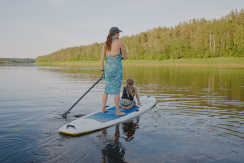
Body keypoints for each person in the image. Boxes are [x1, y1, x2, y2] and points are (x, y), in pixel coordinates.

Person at [100, 27, 128, 116]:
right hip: (117, 70)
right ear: (115, 34)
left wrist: (102, 70)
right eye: (118, 33)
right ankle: (117, 111)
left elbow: (101, 60)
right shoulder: (119, 42)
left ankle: (103, 109)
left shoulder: (106, 44)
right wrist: (121, 57)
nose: (119, 35)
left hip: (107, 70)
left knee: (106, 90)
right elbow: (125, 56)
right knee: (116, 90)